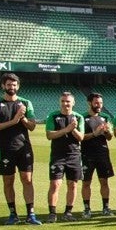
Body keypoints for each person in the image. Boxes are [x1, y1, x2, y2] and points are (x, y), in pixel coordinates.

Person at [0, 72, 39, 225]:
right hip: (5, 148)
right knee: (8, 181)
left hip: (24, 148)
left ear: (18, 86)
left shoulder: (25, 103)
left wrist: (22, 118)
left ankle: (31, 214)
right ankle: (13, 214)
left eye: (14, 85)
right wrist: (14, 120)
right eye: (9, 85)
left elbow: (32, 126)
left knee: (27, 180)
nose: (12, 87)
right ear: (3, 86)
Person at [44, 91, 85, 222]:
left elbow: (81, 137)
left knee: (72, 184)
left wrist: (73, 129)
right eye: (63, 101)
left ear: (73, 103)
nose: (65, 104)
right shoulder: (53, 116)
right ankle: (52, 213)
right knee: (55, 184)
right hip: (58, 155)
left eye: (68, 101)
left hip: (74, 155)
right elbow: (50, 135)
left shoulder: (78, 117)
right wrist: (67, 129)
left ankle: (68, 212)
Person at [80, 93, 115, 217]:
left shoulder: (105, 117)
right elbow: (80, 137)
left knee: (104, 181)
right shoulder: (81, 117)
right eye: (96, 103)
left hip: (102, 153)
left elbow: (110, 137)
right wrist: (95, 133)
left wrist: (106, 132)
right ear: (89, 103)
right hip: (86, 154)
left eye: (100, 103)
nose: (99, 105)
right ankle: (87, 208)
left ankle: (106, 207)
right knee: (86, 183)